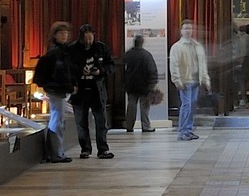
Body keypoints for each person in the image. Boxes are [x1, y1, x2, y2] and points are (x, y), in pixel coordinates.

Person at [32, 22, 76, 163]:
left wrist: (72, 85)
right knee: (57, 121)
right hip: (56, 91)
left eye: (66, 33)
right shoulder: (52, 54)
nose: (65, 35)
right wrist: (55, 86)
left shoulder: (65, 53)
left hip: (62, 91)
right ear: (55, 35)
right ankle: (56, 153)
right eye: (61, 33)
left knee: (59, 121)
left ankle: (57, 152)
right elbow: (42, 77)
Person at [71, 24, 115, 159]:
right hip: (80, 91)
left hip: (97, 90)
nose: (89, 41)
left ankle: (103, 149)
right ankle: (85, 149)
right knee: (81, 122)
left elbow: (111, 66)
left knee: (101, 121)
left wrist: (100, 71)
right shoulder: (73, 50)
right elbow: (68, 67)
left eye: (91, 38)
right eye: (86, 39)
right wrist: (79, 71)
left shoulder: (101, 48)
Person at [168, 19, 208, 141]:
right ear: (181, 31)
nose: (188, 31)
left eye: (190, 28)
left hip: (196, 79)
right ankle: (182, 131)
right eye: (185, 28)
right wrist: (177, 80)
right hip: (185, 80)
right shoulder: (177, 47)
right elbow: (174, 65)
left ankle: (189, 129)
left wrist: (205, 79)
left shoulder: (197, 46)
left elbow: (202, 63)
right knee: (186, 105)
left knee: (192, 106)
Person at [122, 32, 160, 133]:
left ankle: (129, 126)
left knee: (131, 107)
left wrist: (124, 84)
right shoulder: (146, 55)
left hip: (131, 85)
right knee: (145, 107)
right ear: (142, 43)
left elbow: (122, 70)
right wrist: (152, 84)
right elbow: (152, 70)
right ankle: (146, 126)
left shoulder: (128, 54)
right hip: (144, 86)